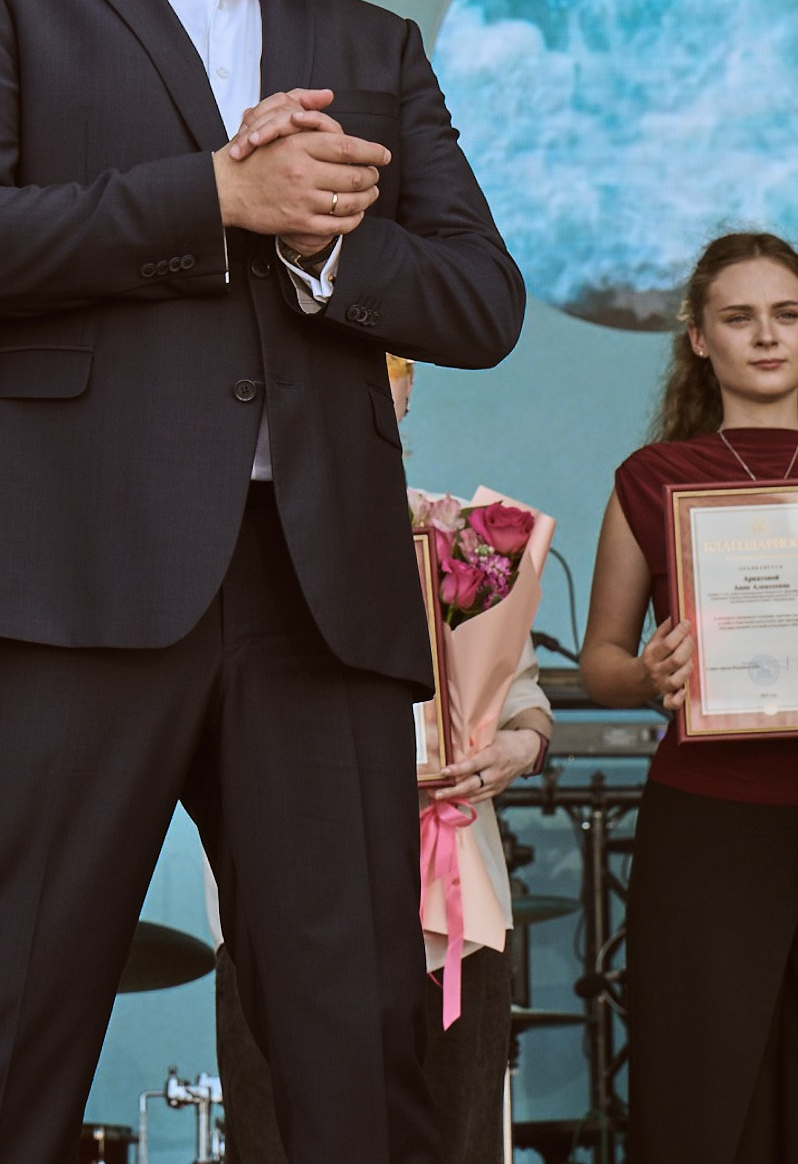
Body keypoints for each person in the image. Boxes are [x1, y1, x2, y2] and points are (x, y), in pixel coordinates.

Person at [0, 0, 525, 1164]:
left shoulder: (372, 39)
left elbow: (482, 300)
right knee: (14, 1017)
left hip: (317, 592)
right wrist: (214, 197)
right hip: (59, 580)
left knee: (353, 1040)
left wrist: (322, 246)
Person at [579, 231, 798, 1164]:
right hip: (705, 823)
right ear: (699, 338)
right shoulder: (650, 481)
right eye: (739, 317)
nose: (764, 336)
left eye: (786, 315)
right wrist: (649, 673)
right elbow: (601, 658)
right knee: (701, 1100)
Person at [213, 353, 553, 1163]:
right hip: (283, 898)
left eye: (379, 374)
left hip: (453, 903)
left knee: (458, 1137)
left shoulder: (459, 537)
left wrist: (520, 746)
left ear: (402, 394)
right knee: (280, 1139)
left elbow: (525, 697)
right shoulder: (229, 542)